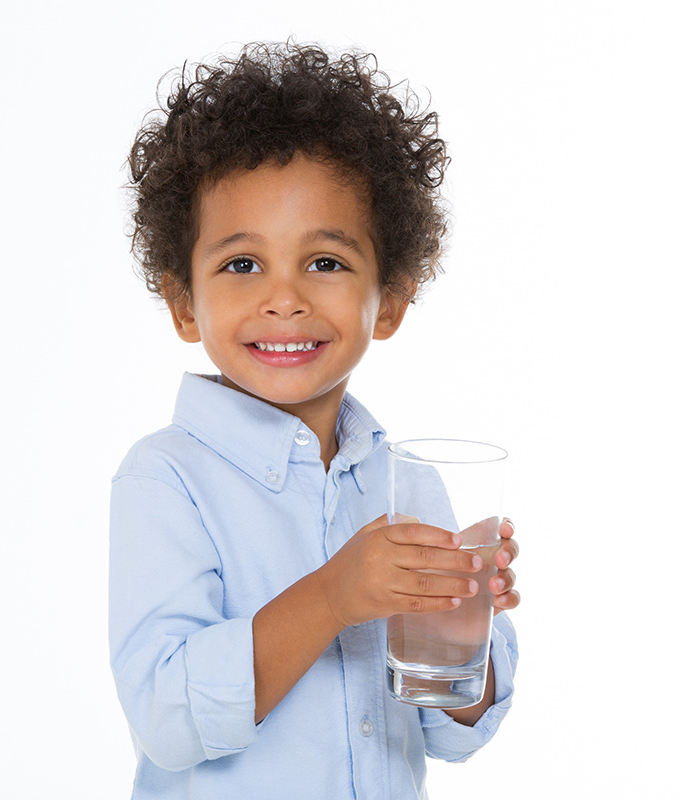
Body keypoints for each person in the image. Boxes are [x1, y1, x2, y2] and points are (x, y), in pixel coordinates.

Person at [109, 41, 520, 799]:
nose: (285, 297)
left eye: (325, 262)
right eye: (241, 264)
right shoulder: (167, 477)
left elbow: (448, 727)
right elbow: (166, 720)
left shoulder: (412, 487)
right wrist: (335, 595)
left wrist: (468, 628)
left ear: (389, 300)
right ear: (181, 303)